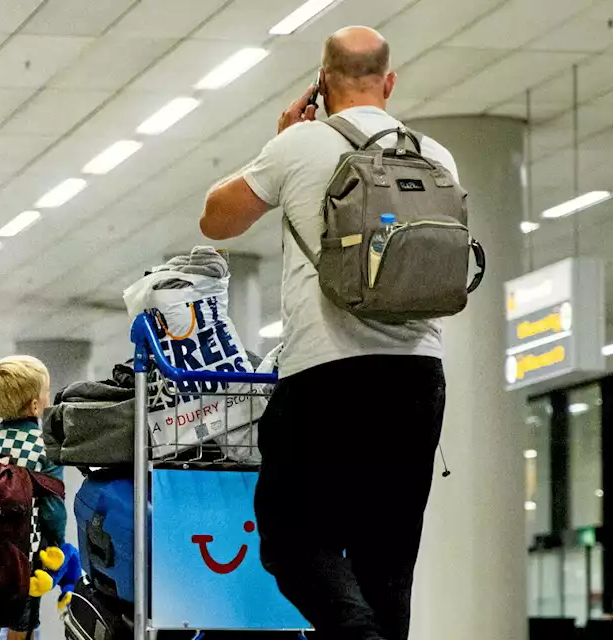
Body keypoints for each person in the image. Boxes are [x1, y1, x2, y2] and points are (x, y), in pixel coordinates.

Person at [199, 27, 454, 640]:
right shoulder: (435, 155)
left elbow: (216, 219)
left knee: (289, 539)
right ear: (389, 83)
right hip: (419, 378)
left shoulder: (300, 145)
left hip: (327, 373)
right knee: (387, 563)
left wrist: (280, 139)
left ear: (321, 80)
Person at [0, 355, 65, 640]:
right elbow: (53, 510)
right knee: (20, 629)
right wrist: (56, 544)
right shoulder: (45, 446)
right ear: (35, 404)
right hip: (26, 555)